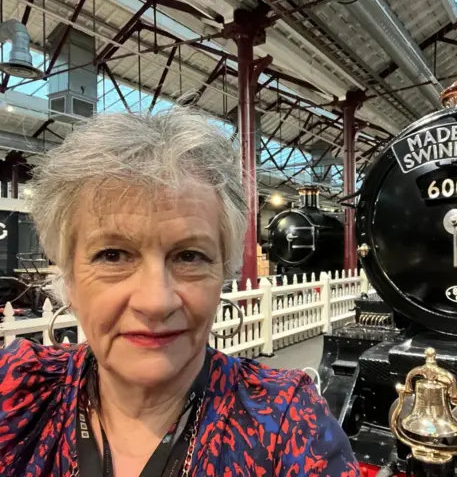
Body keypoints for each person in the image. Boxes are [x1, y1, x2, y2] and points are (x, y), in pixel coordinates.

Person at [0, 106, 359, 476]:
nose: (156, 301)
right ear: (69, 277)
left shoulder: (289, 423)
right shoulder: (17, 392)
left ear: (224, 273)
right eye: (113, 255)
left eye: (189, 256)